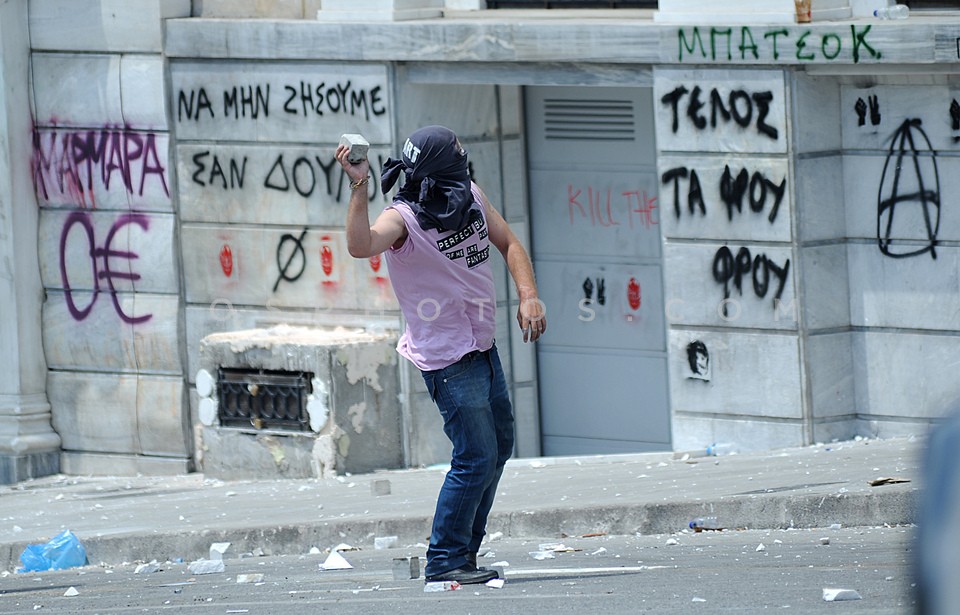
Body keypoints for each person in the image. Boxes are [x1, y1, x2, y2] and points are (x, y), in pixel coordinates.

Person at [336, 125, 546, 585]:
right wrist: (360, 183)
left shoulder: (470, 195)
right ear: (438, 167)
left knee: (498, 448)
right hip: (448, 358)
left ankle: (464, 553)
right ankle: (445, 559)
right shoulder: (403, 219)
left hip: (482, 345)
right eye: (457, 155)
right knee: (475, 456)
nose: (464, 161)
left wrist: (529, 295)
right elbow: (360, 245)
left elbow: (509, 243)